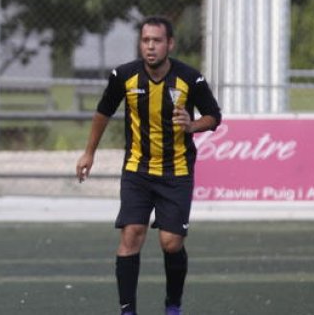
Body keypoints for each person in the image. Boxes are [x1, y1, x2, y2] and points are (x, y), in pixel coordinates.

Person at [75, 16, 222, 315]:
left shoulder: (190, 78)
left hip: (176, 172)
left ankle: (173, 305)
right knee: (131, 235)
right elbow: (103, 112)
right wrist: (89, 153)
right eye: (145, 40)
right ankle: (127, 311)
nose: (150, 46)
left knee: (170, 243)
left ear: (170, 44)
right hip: (137, 171)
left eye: (157, 41)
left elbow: (214, 116)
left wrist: (192, 125)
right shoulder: (123, 76)